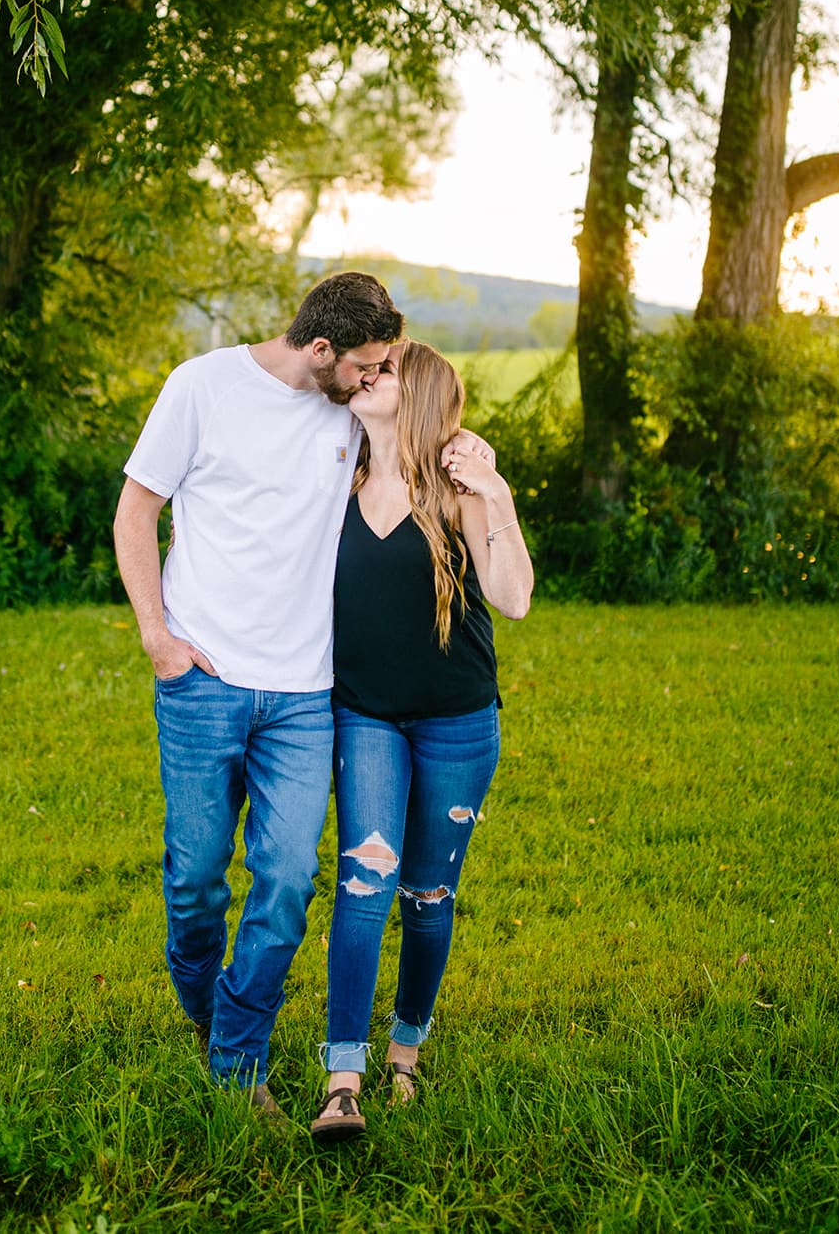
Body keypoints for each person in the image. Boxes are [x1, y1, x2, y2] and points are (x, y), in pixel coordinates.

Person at [112, 274, 492, 1116]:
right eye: (364, 363)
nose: (372, 377)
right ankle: (213, 1017)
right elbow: (136, 508)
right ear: (321, 351)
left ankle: (239, 1064)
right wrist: (156, 635)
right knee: (195, 882)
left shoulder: (355, 414)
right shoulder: (201, 387)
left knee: (285, 879)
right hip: (201, 681)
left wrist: (480, 462)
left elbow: (425, 444)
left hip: (306, 695)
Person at [309, 339, 533, 1143]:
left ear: (422, 393)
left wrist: (496, 493)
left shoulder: (459, 488)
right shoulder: (334, 477)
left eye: (387, 369)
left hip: (457, 723)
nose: (367, 375)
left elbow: (512, 599)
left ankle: (405, 1049)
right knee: (364, 885)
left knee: (427, 897)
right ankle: (343, 1078)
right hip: (364, 715)